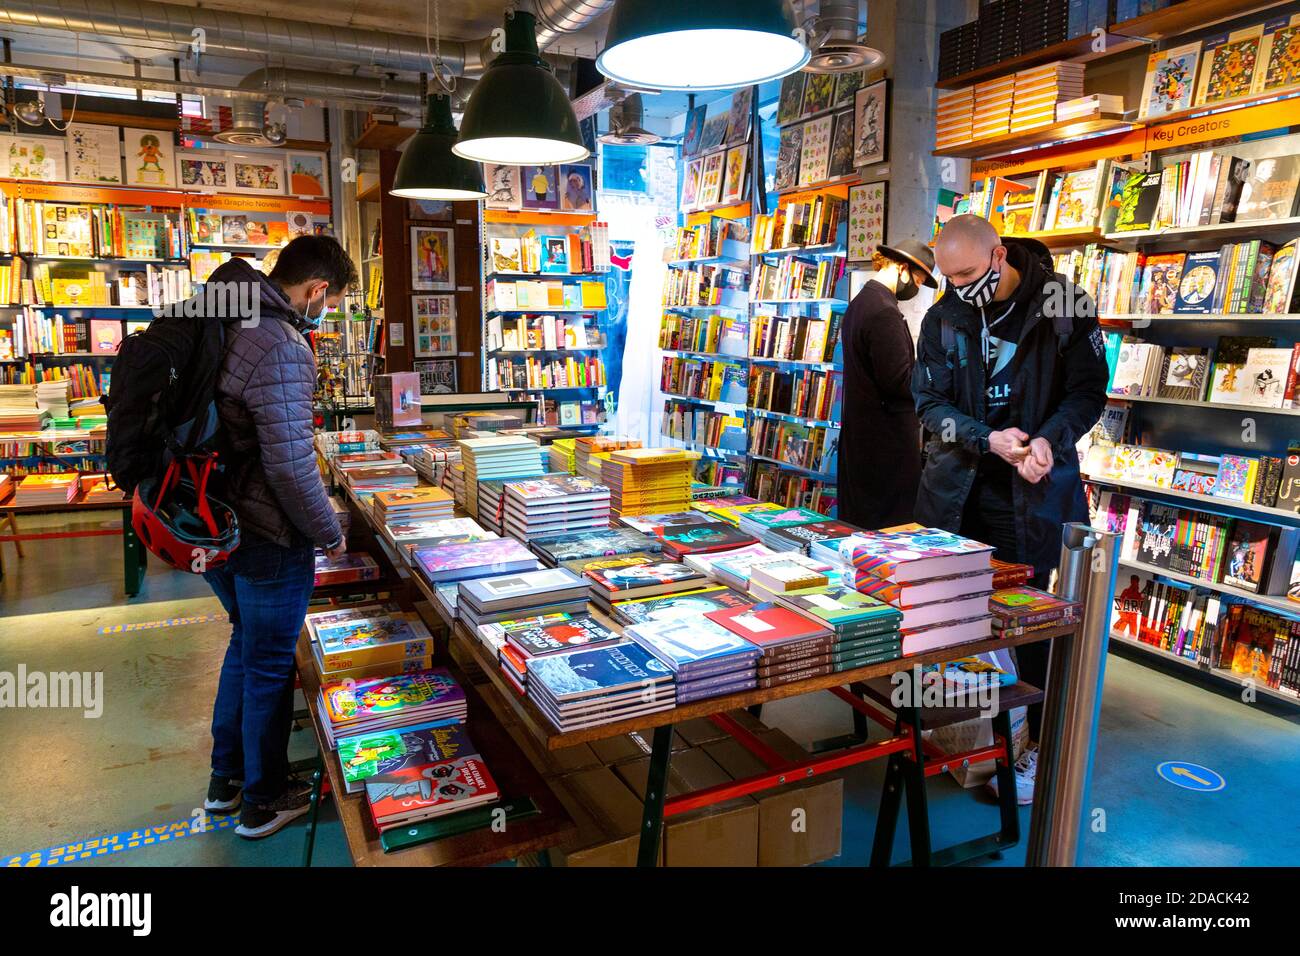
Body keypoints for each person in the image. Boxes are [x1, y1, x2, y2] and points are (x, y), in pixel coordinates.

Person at [913, 213, 1110, 803]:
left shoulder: (1061, 304)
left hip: (1033, 492)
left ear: (999, 256)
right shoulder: (944, 315)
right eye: (947, 277)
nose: (958, 286)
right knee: (957, 618)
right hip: (956, 494)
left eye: (968, 273)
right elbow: (926, 401)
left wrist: (1048, 438)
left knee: (1033, 626)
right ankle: (974, 738)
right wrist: (983, 438)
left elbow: (1088, 390)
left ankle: (1039, 749)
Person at [201, 236, 357, 839]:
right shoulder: (282, 342)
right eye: (333, 300)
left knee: (246, 647)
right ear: (317, 290)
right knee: (269, 662)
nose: (328, 311)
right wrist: (329, 532)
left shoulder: (233, 317)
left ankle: (227, 781)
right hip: (265, 530)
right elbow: (290, 466)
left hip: (217, 518)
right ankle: (262, 803)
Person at [838, 239, 936, 529]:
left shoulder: (861, 303)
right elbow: (900, 382)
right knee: (891, 532)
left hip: (862, 439)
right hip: (886, 446)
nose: (915, 288)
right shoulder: (884, 312)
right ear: (903, 268)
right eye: (917, 280)